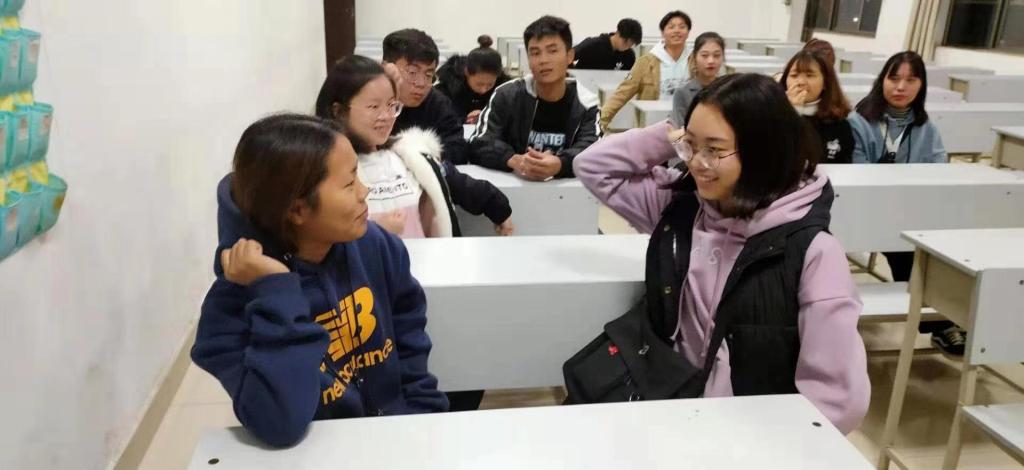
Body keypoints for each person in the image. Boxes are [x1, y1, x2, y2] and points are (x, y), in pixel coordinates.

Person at [574, 73, 870, 434]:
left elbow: (838, 401)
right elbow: (592, 166)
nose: (697, 162)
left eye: (714, 150)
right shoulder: (681, 209)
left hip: (746, 432)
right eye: (691, 146)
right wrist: (669, 137)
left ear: (763, 150)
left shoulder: (813, 253)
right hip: (665, 399)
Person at [191, 114, 449, 447]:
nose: (365, 191)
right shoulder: (234, 302)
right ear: (297, 210)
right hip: (314, 450)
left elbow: (408, 328)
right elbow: (280, 425)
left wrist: (422, 409)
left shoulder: (376, 245)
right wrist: (275, 292)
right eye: (349, 183)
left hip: (397, 435)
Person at [316, 55, 514, 238]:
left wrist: (498, 207)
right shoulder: (326, 169)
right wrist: (374, 231)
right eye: (373, 107)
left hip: (427, 262)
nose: (386, 116)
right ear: (338, 111)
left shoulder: (409, 153)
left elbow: (455, 181)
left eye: (391, 105)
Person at [848, 51, 964, 355]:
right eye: (894, 78)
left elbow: (939, 170)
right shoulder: (859, 121)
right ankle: (938, 321)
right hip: (866, 208)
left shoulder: (926, 128)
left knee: (934, 248)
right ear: (882, 80)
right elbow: (857, 171)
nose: (901, 87)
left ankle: (944, 316)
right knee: (907, 247)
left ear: (921, 85)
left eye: (911, 80)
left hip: (909, 211)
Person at [468, 15, 601, 180]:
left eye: (552, 51)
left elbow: (594, 151)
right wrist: (513, 160)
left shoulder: (586, 102)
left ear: (569, 56)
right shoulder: (507, 95)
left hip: (564, 192)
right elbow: (479, 142)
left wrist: (560, 164)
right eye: (535, 53)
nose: (543, 60)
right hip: (513, 187)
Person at [382, 29, 471, 164]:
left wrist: (423, 156)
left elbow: (458, 148)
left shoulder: (438, 103)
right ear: (387, 67)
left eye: (429, 75)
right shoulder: (368, 101)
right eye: (412, 72)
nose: (421, 84)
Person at [600, 10, 691, 131]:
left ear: (688, 32)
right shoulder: (646, 62)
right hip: (653, 128)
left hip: (688, 128)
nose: (677, 30)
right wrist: (600, 121)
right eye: (671, 27)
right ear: (663, 32)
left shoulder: (695, 61)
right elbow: (622, 93)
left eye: (682, 27)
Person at [781, 50, 854, 163]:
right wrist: (792, 113)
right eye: (794, 75)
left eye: (809, 75)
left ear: (825, 82)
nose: (800, 82)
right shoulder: (771, 115)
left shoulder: (839, 124)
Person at [434, 37, 512, 124]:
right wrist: (464, 119)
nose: (483, 90)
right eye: (479, 84)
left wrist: (487, 116)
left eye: (490, 84)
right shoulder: (446, 89)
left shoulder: (505, 91)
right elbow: (438, 119)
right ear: (466, 72)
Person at [670, 32, 724, 126]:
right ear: (695, 57)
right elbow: (679, 128)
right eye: (704, 55)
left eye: (716, 55)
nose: (711, 61)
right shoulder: (682, 92)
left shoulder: (728, 90)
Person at [571, 18, 642, 71]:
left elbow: (627, 78)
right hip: (581, 84)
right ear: (617, 33)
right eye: (625, 42)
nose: (626, 46)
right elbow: (568, 56)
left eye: (630, 44)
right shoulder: (593, 44)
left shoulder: (629, 56)